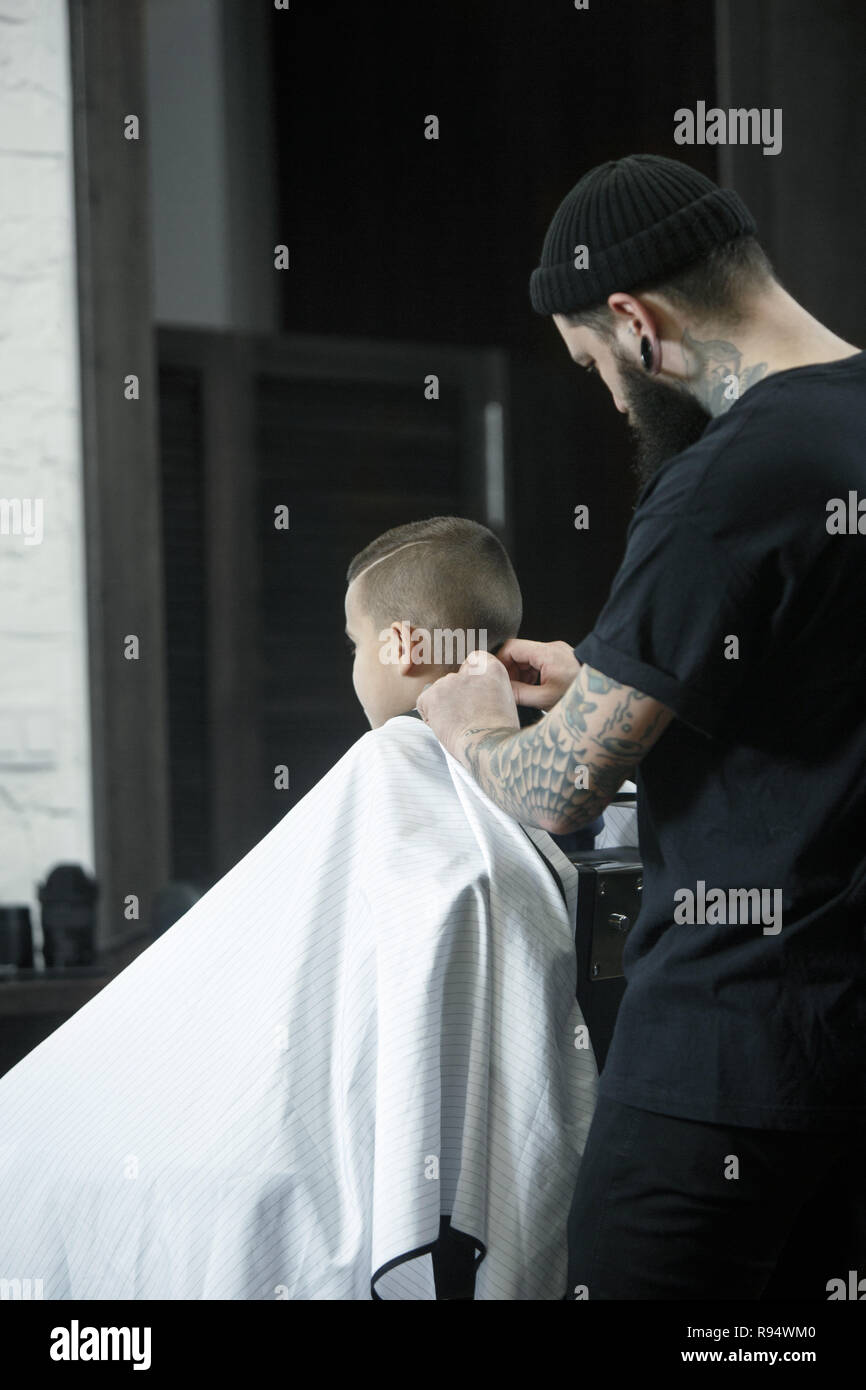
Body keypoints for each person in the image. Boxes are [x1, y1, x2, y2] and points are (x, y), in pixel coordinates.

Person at [417, 154, 866, 1300]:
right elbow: (807, 695)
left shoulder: (724, 479)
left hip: (726, 1072)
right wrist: (606, 675)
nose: (613, 401)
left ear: (634, 321)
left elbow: (560, 792)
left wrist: (473, 733)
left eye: (595, 367)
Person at [0, 516, 598, 1301]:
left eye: (356, 643)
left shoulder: (393, 766)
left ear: (403, 648)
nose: (354, 668)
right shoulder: (523, 790)